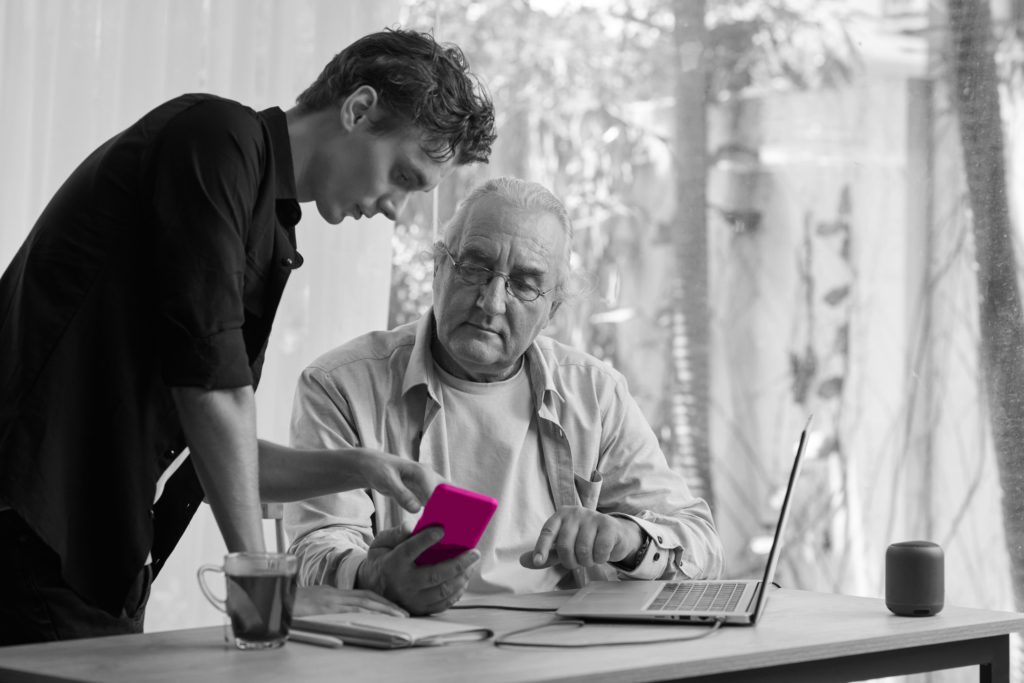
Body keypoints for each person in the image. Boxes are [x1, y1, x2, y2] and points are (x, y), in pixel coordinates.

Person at [0, 28, 496, 645]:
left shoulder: (266, 219)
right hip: (31, 536)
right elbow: (210, 391)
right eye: (402, 175)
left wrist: (362, 468)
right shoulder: (216, 140)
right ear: (358, 108)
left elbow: (216, 452)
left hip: (93, 559)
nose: (395, 208)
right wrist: (261, 591)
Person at [285, 177, 724, 616]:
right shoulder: (340, 384)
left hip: (556, 650)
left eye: (525, 284)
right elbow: (316, 548)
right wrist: (374, 576)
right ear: (438, 267)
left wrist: (626, 539)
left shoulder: (594, 393)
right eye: (474, 268)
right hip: (404, 645)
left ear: (551, 310)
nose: (492, 303)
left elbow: (700, 543)